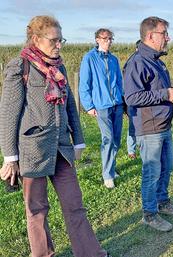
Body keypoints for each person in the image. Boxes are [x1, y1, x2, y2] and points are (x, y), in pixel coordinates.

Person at [0, 15, 108, 257]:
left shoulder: (59, 67)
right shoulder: (20, 67)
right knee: (37, 210)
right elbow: (8, 115)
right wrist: (10, 158)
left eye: (62, 40)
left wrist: (78, 140)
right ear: (36, 39)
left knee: (75, 205)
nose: (59, 45)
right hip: (33, 151)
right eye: (55, 40)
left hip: (61, 148)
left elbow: (71, 106)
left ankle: (91, 253)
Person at [123, 16, 173, 232]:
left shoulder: (157, 60)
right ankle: (149, 214)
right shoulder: (137, 62)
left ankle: (163, 202)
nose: (168, 38)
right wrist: (166, 93)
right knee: (152, 172)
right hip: (149, 128)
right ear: (150, 36)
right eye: (164, 33)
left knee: (168, 166)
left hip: (164, 126)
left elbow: (161, 91)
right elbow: (133, 98)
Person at [79, 28, 124, 188]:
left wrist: (122, 100)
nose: (109, 41)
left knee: (117, 139)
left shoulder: (113, 59)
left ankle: (110, 166)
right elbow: (84, 83)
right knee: (108, 138)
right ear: (97, 39)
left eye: (111, 39)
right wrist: (88, 105)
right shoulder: (89, 58)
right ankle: (107, 175)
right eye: (105, 39)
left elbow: (119, 81)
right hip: (101, 105)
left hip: (117, 104)